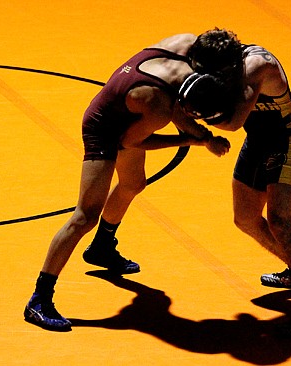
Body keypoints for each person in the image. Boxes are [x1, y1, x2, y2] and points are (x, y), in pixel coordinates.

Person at [24, 33, 232, 331]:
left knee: (133, 184)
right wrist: (192, 139)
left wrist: (203, 135)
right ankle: (39, 300)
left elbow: (177, 106)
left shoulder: (185, 43)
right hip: (105, 129)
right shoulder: (159, 107)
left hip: (131, 109)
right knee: (84, 217)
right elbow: (131, 140)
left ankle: (102, 248)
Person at [188, 28, 291, 335]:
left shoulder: (257, 66)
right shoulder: (219, 63)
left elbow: (234, 122)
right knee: (246, 219)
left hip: (284, 138)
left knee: (280, 222)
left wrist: (194, 113)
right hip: (258, 139)